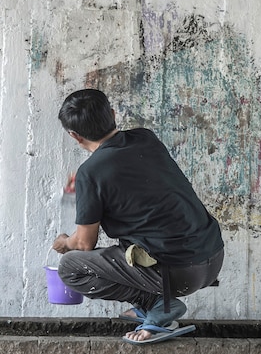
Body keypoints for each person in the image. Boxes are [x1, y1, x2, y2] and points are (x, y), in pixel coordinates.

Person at [52, 88, 224, 344]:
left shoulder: (90, 172)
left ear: (75, 136)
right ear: (112, 114)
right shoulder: (146, 138)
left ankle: (157, 305)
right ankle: (154, 306)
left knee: (70, 268)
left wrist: (64, 242)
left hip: (178, 275)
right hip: (212, 258)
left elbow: (83, 244)